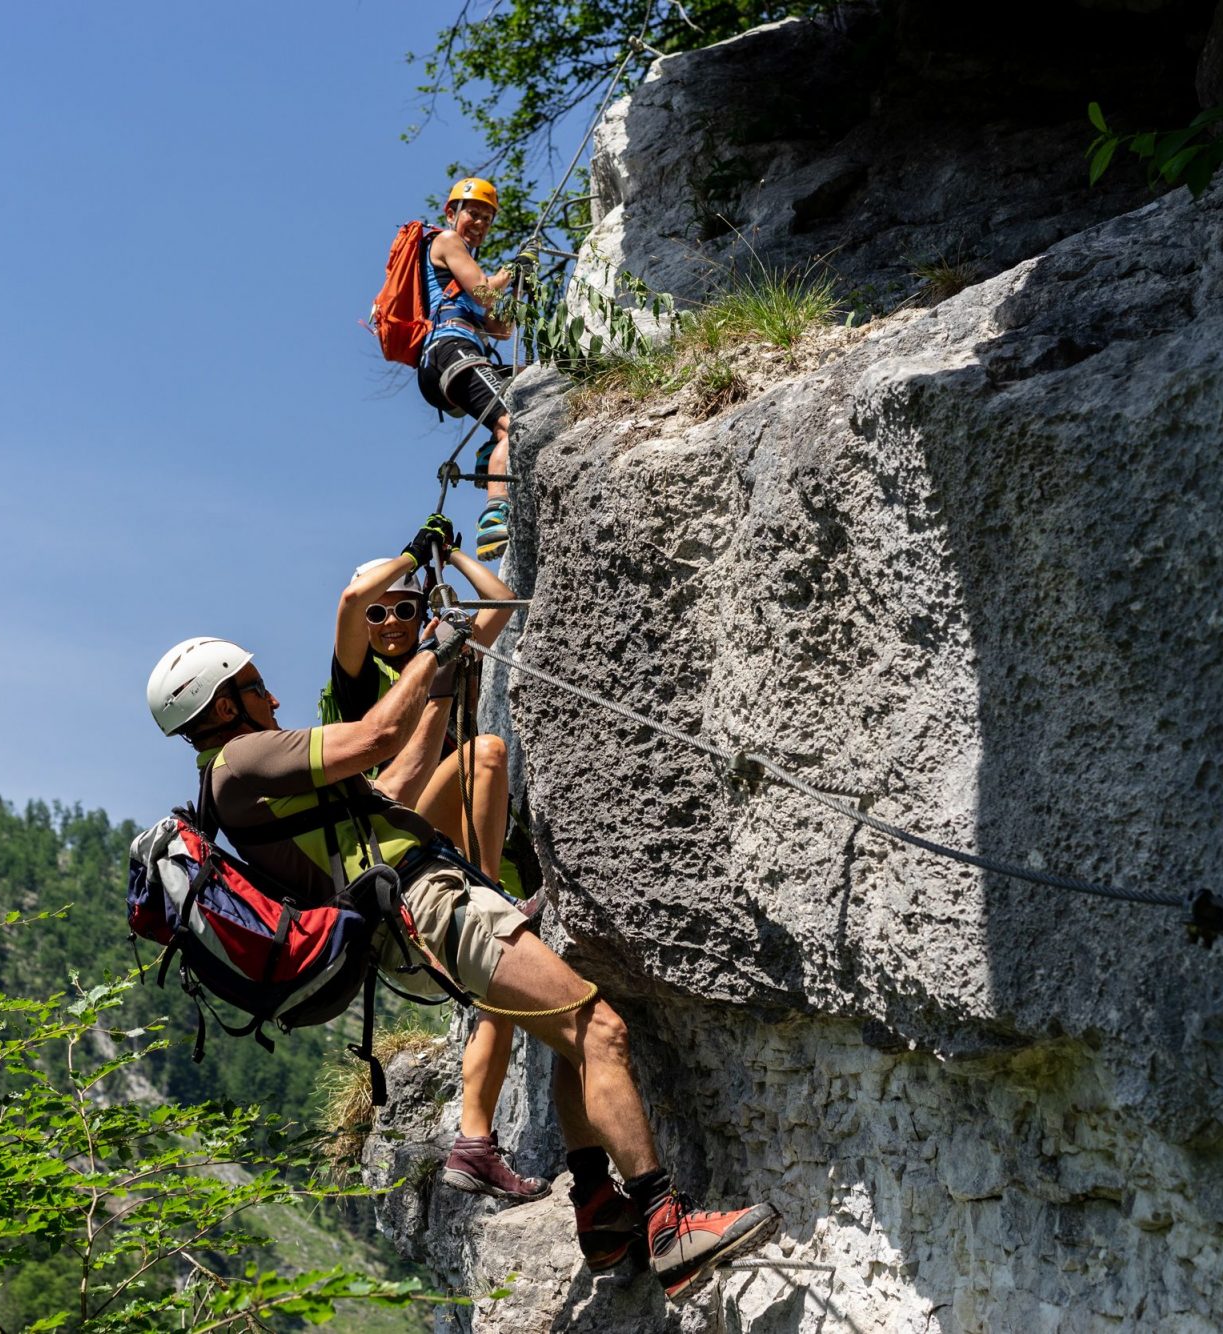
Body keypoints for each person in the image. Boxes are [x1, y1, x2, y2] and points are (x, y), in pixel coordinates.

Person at [144, 634, 778, 1302]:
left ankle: (600, 1206)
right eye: (253, 686)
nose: (271, 696)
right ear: (220, 706)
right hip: (435, 905)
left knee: (574, 1033)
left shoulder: (241, 783)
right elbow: (375, 734)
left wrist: (443, 686)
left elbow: (392, 784)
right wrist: (433, 651)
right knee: (600, 1030)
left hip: (419, 919)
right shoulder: (241, 758)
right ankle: (666, 1223)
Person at [322, 515, 538, 1203]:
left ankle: (475, 1140)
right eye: (383, 611)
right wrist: (416, 553)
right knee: (488, 752)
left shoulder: (444, 650)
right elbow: (352, 605)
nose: (389, 620)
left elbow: (500, 605)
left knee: (504, 980)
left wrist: (451, 556)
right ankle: (487, 891)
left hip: (436, 837)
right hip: (397, 840)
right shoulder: (359, 682)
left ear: (421, 610)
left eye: (404, 608)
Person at [417, 176, 535, 561]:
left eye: (487, 217)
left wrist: (515, 286)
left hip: (450, 358)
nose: (481, 223)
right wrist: (509, 270)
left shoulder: (459, 267)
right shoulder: (447, 242)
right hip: (452, 350)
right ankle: (495, 510)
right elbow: (485, 290)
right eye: (473, 213)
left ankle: (489, 454)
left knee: (526, 390)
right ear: (452, 212)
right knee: (514, 423)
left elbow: (501, 329)